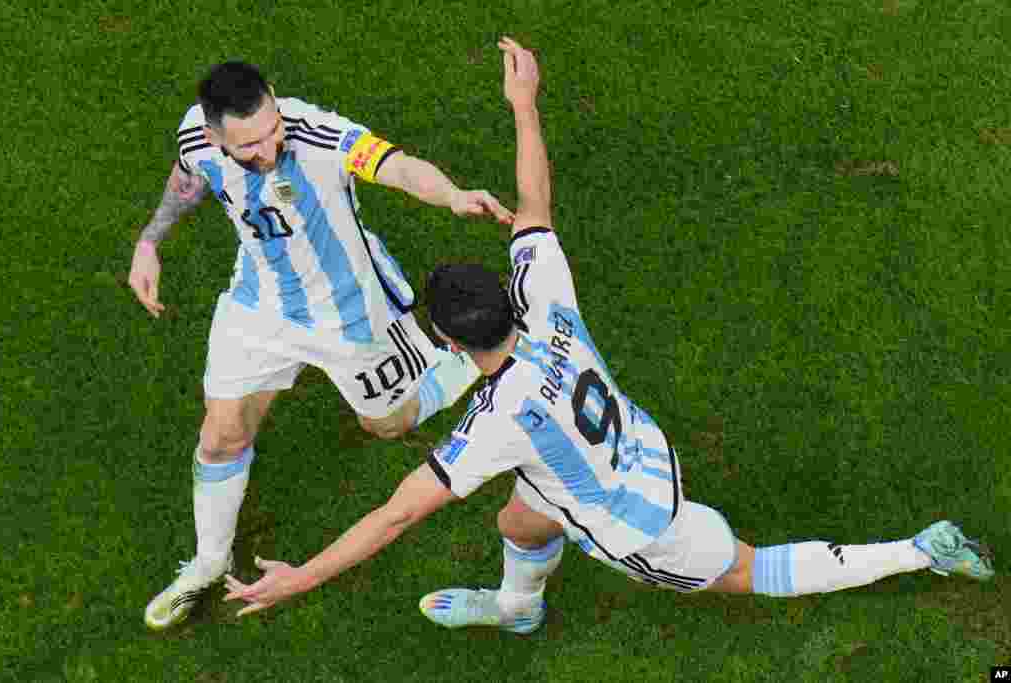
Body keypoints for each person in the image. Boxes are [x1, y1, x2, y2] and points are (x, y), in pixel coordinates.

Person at [222, 38, 994, 627]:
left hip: (645, 522)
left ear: (453, 347)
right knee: (518, 514)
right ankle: (518, 608)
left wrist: (301, 578)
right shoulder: (546, 300)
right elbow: (534, 206)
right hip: (622, 445)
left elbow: (395, 513)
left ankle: (919, 549)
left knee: (749, 570)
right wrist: (524, 104)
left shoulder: (494, 426)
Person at [131, 60, 514, 630]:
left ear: (275, 102)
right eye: (249, 145)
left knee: (388, 425)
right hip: (260, 304)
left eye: (271, 130)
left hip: (353, 315)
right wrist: (149, 241)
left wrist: (452, 194)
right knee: (221, 436)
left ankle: (455, 360)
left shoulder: (316, 135)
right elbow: (188, 178)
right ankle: (209, 565)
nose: (267, 149)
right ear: (214, 134)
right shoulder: (197, 135)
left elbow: (397, 167)